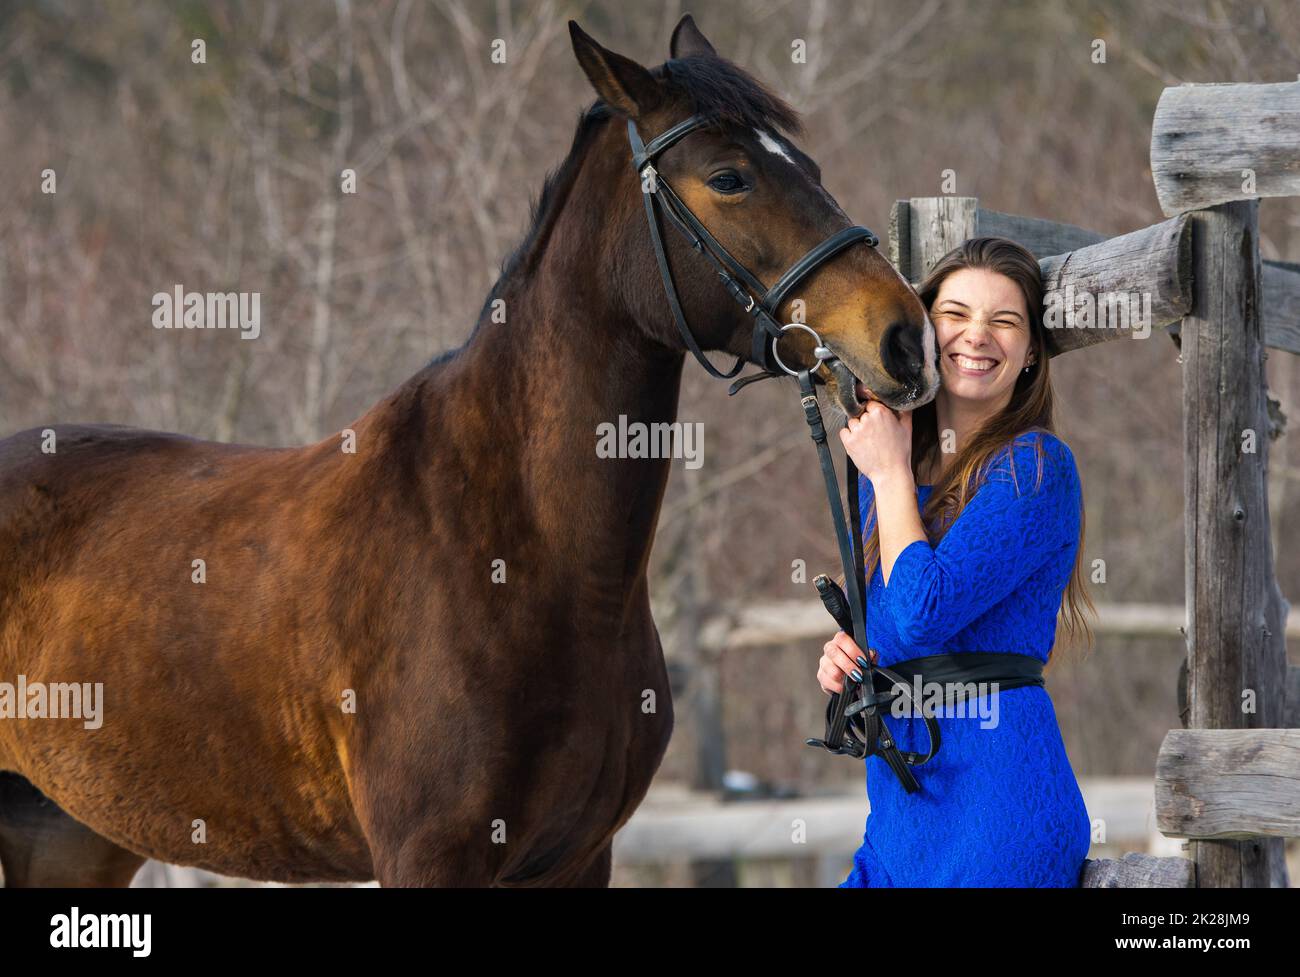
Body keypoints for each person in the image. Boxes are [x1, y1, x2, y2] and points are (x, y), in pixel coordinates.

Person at [818, 236, 1096, 887]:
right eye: (957, 314)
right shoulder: (894, 465)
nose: (978, 335)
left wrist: (885, 472)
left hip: (995, 819)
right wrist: (850, 654)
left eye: (1005, 320)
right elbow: (895, 630)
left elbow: (923, 613)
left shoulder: (1037, 468)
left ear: (1031, 353)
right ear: (925, 327)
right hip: (898, 819)